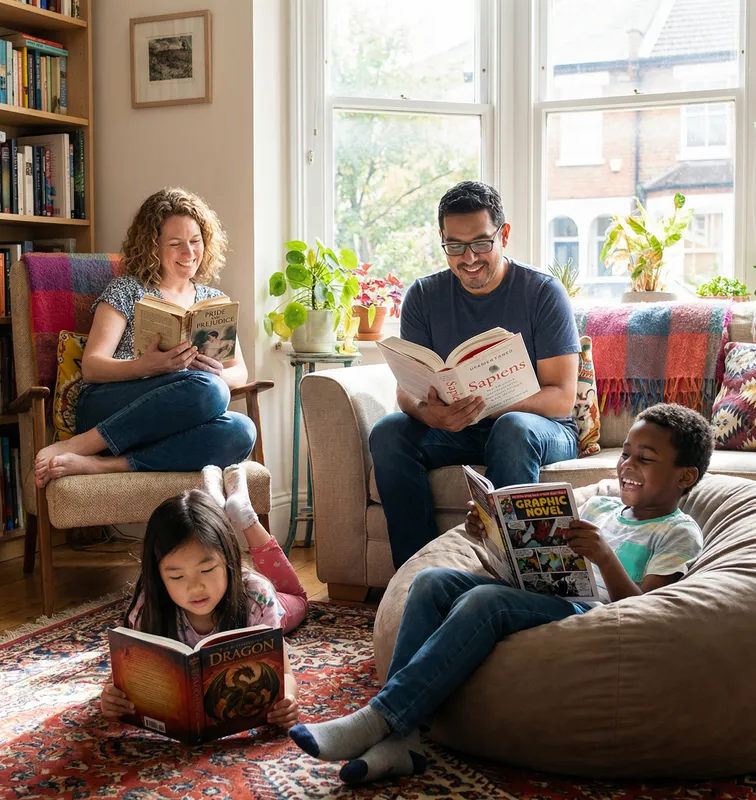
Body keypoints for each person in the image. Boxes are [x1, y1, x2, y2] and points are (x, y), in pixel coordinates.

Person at [289, 403, 714, 783]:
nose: (627, 465)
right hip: (546, 592)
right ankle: (404, 741)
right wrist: (491, 534)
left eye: (645, 458)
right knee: (430, 581)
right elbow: (531, 562)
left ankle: (381, 717)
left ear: (685, 476)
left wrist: (605, 557)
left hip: (590, 610)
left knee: (484, 602)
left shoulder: (677, 532)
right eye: (625, 454)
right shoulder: (601, 506)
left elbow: (648, 609)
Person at [370, 181, 581, 568]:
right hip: (458, 429)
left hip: (538, 430)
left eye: (481, 243)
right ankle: (416, 572)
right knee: (389, 433)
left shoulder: (542, 293)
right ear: (442, 240)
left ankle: (505, 574)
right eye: (455, 246)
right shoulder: (423, 295)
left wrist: (487, 406)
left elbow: (562, 397)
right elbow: (407, 390)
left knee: (513, 428)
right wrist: (428, 413)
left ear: (504, 234)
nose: (468, 258)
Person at [34, 187, 256, 488]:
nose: (189, 253)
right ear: (153, 247)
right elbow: (92, 367)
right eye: (176, 244)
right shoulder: (126, 289)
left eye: (195, 241)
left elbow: (239, 372)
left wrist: (215, 375)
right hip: (111, 406)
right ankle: (82, 445)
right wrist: (148, 367)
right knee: (209, 391)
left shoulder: (214, 300)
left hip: (181, 409)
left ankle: (107, 465)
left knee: (241, 429)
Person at [101, 464, 308, 729]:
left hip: (269, 602)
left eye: (207, 570)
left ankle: (244, 517)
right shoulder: (149, 603)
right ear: (158, 577)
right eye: (176, 577)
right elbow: (124, 679)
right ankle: (214, 504)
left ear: (229, 559)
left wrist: (288, 698)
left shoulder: (258, 597)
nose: (195, 588)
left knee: (298, 598)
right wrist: (110, 696)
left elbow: (284, 673)